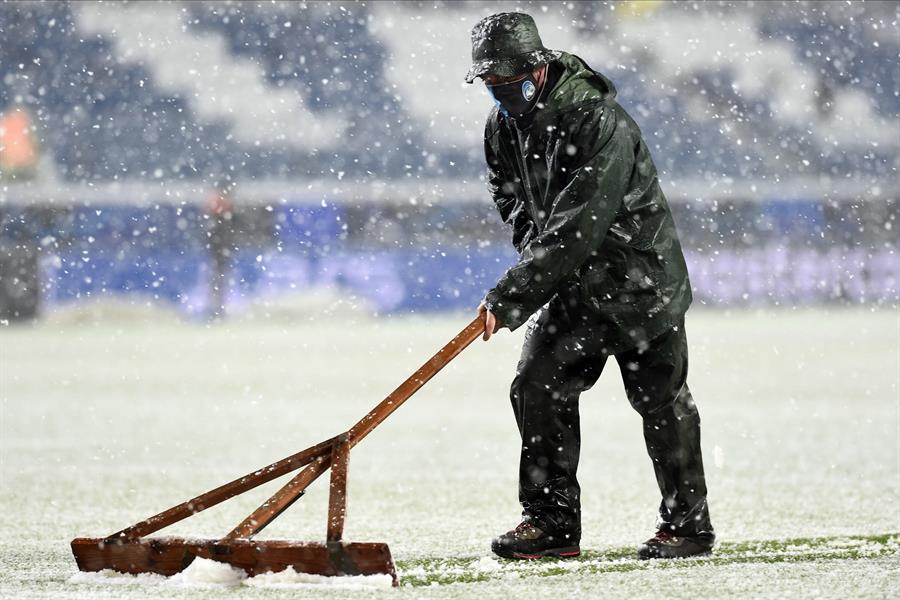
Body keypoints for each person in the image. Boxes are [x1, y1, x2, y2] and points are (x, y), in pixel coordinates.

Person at [467, 12, 715, 561]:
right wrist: (535, 252)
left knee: (660, 402)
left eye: (508, 81)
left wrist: (513, 295)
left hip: (639, 284)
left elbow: (581, 222)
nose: (499, 91)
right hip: (573, 287)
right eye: (490, 82)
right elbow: (509, 196)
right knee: (536, 386)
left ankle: (688, 527)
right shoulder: (501, 127)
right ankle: (551, 524)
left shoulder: (600, 121)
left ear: (538, 69)